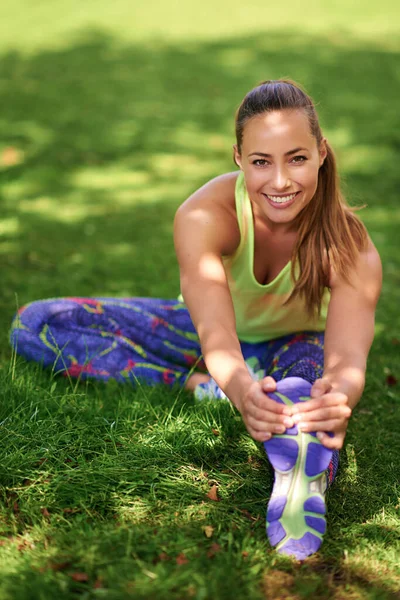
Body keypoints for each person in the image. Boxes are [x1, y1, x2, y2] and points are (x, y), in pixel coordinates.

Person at [10, 79, 382, 560]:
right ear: (238, 159)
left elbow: (348, 357)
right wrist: (238, 386)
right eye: (261, 162)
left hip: (293, 340)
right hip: (202, 334)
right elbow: (216, 334)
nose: (281, 181)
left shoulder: (349, 243)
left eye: (297, 158)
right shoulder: (204, 216)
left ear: (322, 154)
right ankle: (200, 387)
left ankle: (305, 470)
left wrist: (337, 396)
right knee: (39, 323)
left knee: (312, 395)